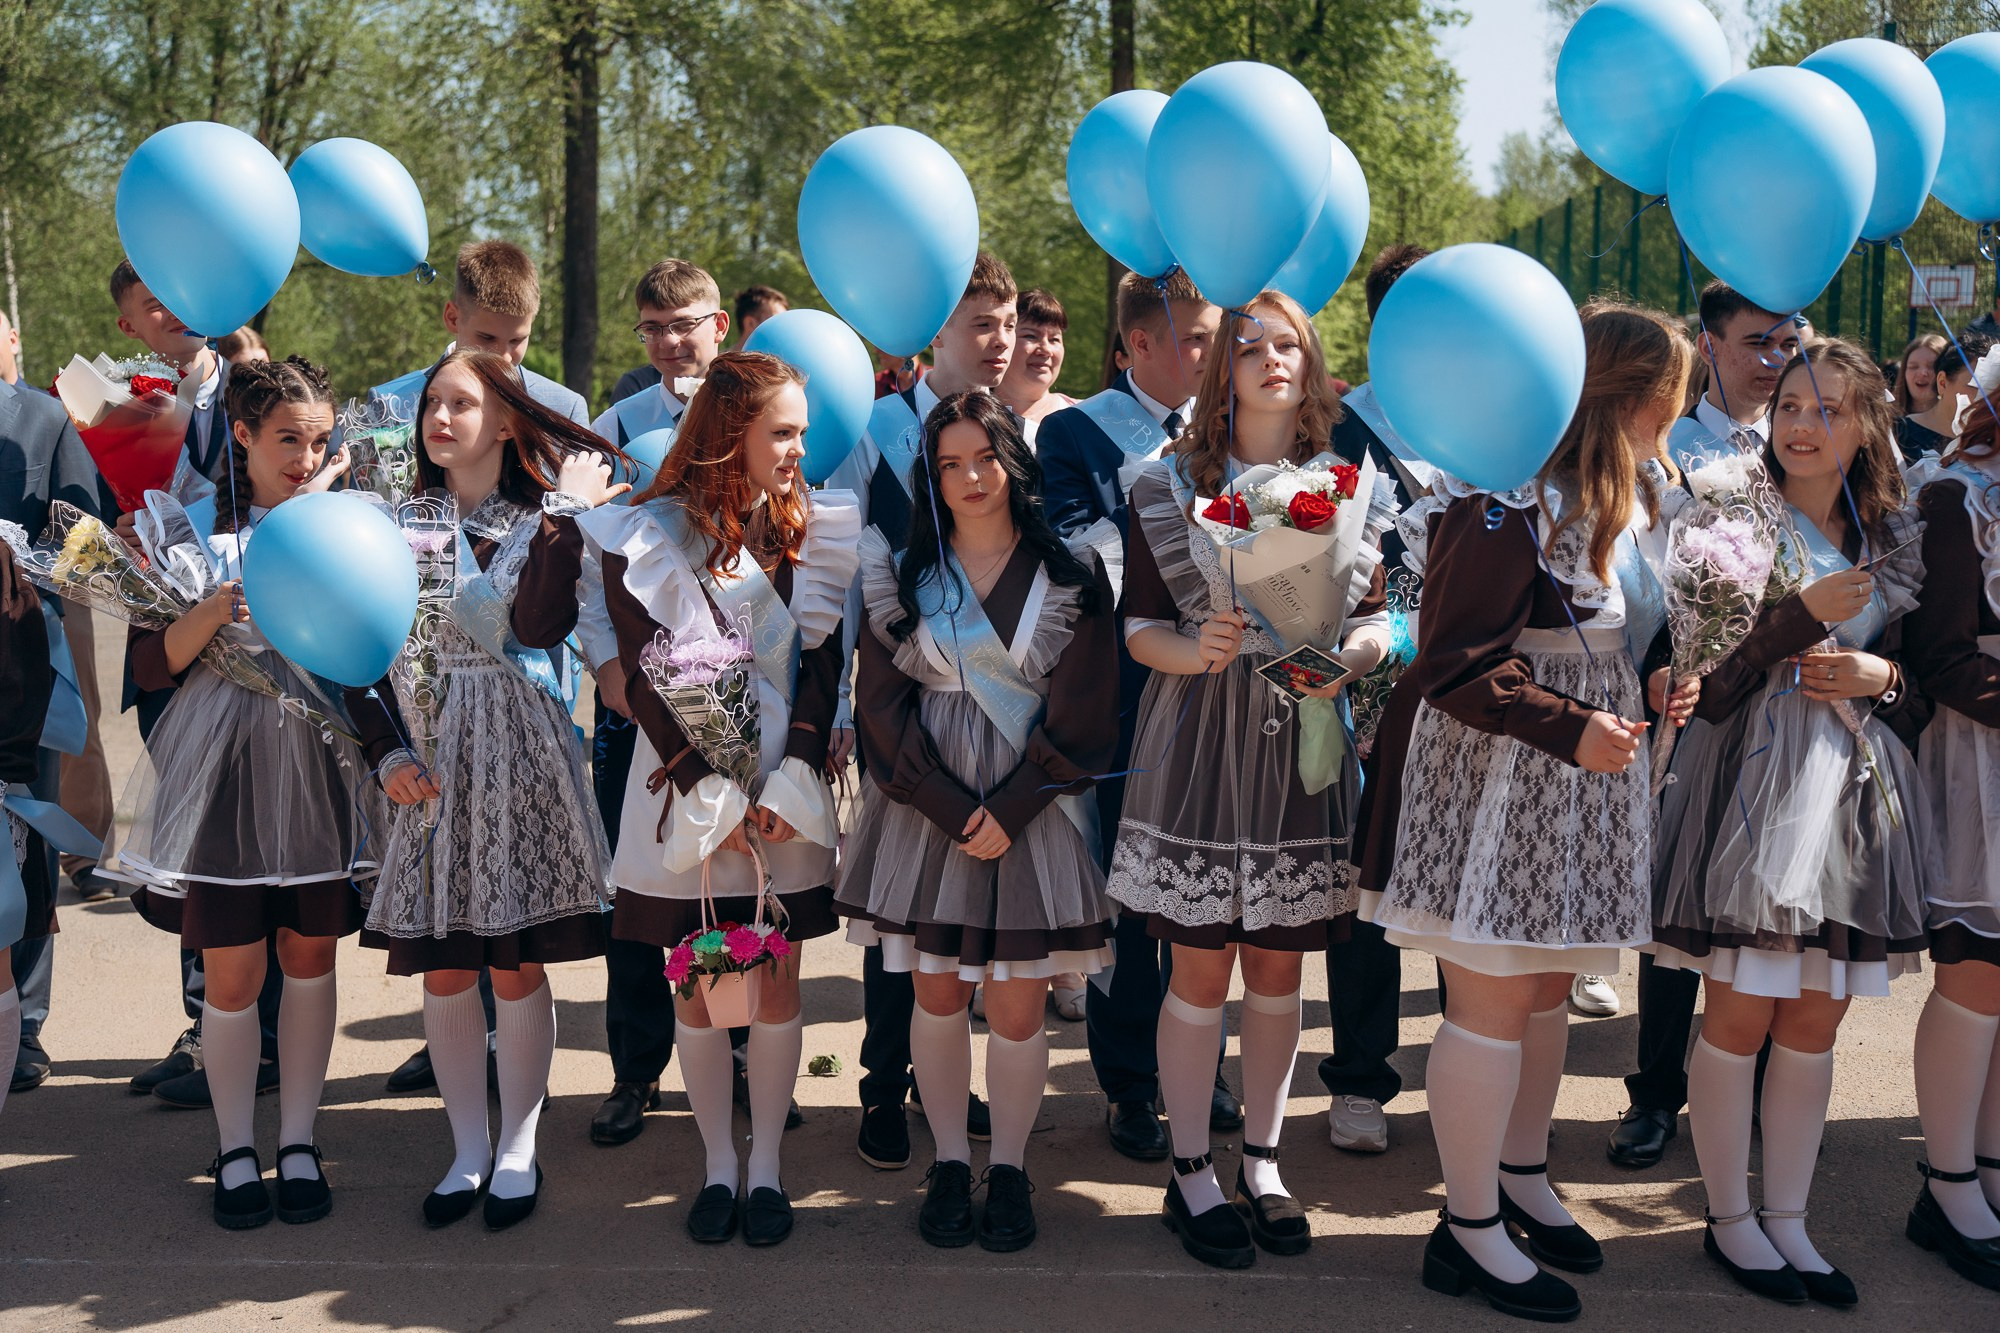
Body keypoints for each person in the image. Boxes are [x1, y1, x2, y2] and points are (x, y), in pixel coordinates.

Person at [1362, 303, 1695, 1321]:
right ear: (1635, 400)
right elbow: (1455, 660)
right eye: (1671, 401)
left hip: (1581, 777)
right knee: (1491, 1001)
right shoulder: (1506, 502)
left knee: (1544, 990)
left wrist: (1656, 677)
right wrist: (1569, 727)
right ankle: (1463, 1231)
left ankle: (1515, 1178)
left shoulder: (1631, 498)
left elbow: (1622, 633)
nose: (1675, 420)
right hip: (1497, 776)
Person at [1109, 288, 1394, 1270]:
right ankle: (1188, 1168)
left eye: (1289, 345)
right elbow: (1135, 627)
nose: (1272, 358)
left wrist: (1350, 657)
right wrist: (1195, 649)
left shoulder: (1347, 483)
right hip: (1196, 736)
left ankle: (1262, 1162)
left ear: (1311, 365)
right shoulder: (1161, 483)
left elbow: (1379, 619)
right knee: (1199, 964)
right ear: (1218, 367)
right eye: (1250, 345)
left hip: (1297, 735)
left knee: (1278, 964)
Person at [1653, 338, 1932, 1308]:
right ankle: (1728, 1221)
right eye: (1790, 404)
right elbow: (1701, 682)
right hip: (1748, 788)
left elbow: (1923, 684)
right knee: (1738, 1014)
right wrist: (1797, 621)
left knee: (1814, 1019)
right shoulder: (1727, 509)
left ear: (1865, 426)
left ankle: (1788, 1221)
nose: (1804, 424)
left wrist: (1882, 676)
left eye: (1828, 410)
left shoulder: (1889, 526)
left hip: (1856, 797)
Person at [573, 351, 858, 1246]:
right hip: (686, 789)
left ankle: (766, 1163)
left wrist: (793, 776)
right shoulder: (646, 533)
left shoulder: (811, 525)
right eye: (783, 431)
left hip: (782, 793)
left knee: (773, 982)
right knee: (697, 985)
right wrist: (711, 794)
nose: (798, 449)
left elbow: (820, 664)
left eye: (804, 432)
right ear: (729, 432)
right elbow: (646, 681)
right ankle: (717, 1163)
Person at [101, 357, 382, 1230]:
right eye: (288, 439)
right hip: (222, 769)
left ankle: (298, 1139)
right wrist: (218, 606)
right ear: (245, 437)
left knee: (310, 957)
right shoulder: (189, 536)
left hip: (319, 765)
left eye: (320, 440)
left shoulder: (351, 532)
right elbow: (149, 665)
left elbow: (370, 659)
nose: (306, 456)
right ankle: (233, 1147)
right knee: (233, 972)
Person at [836, 391, 1118, 1251]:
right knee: (936, 993)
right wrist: (956, 809)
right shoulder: (907, 579)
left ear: (1014, 463)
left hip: (1034, 812)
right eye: (950, 462)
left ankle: (1011, 1167)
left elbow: (1088, 711)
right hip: (932, 813)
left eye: (985, 458)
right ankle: (953, 1159)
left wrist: (1017, 807)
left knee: (1021, 1004)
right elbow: (881, 710)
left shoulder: (1073, 572)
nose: (969, 477)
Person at [348, 349, 622, 1231]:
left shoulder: (537, 519)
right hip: (427, 759)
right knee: (446, 966)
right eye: (431, 401)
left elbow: (541, 625)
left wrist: (565, 520)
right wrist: (384, 753)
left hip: (519, 749)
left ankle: (519, 1144)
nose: (439, 417)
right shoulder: (389, 525)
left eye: (461, 403)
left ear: (506, 422)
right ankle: (467, 1147)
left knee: (514, 963)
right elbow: (353, 657)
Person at [373, 240, 587, 1097]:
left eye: (520, 346)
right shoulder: (392, 414)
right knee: (446, 946)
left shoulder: (558, 408)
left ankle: (520, 1118)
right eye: (491, 342)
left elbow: (565, 582)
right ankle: (457, 1070)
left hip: (521, 684)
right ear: (452, 319)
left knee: (516, 936)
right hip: (426, 700)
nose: (507, 364)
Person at [824, 253, 1018, 1173]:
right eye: (982, 324)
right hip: (899, 698)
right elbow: (850, 579)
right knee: (901, 902)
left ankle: (948, 1073)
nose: (1000, 341)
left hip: (990, 705)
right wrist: (844, 707)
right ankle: (881, 1080)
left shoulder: (1008, 429)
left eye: (1008, 324)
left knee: (970, 900)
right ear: (934, 327)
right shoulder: (870, 430)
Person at [1607, 280, 1805, 1171]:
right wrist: (1669, 671)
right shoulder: (1666, 447)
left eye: (1788, 342)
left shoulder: (1803, 439)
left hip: (1783, 705)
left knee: (1759, 897)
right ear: (1708, 344)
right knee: (1675, 898)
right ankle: (1654, 1095)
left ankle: (1754, 1083)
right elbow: (1644, 586)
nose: (1776, 360)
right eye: (1758, 343)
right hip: (1682, 701)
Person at [1037, 267, 1227, 1163]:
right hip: (1125, 696)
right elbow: (1079, 550)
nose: (1211, 353)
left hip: (1225, 695)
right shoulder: (1076, 431)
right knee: (1129, 899)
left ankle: (1203, 1063)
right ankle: (1127, 1083)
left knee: (1212, 892)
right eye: (1192, 337)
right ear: (1138, 344)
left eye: (1213, 335)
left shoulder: (1233, 424)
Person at [579, 258, 731, 1145]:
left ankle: (744, 1057)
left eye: (689, 323)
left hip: (737, 695)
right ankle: (636, 1069)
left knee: (729, 890)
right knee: (638, 899)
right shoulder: (615, 430)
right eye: (655, 327)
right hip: (637, 704)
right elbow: (597, 571)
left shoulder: (760, 413)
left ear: (722, 328)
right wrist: (606, 671)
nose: (673, 342)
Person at [1317, 242, 1431, 1155]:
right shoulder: (1335, 426)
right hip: (1377, 670)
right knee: (1371, 881)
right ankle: (1360, 1075)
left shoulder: (1497, 419)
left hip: (1483, 675)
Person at [1902, 384, 2000, 1292]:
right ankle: (1949, 1182)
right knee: (1976, 973)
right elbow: (1942, 654)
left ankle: (1990, 1168)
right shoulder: (1959, 494)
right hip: (1981, 763)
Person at [0, 356, 97, 1099]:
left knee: (24, 837)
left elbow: (84, 538)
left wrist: (25, 561)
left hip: (20, 662)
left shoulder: (47, 418)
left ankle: (25, 1021)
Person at [372, 241, 588, 428]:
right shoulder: (393, 405)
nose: (503, 356)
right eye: (487, 338)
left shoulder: (564, 410)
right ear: (452, 318)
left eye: (517, 340)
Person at [995, 288, 1076, 448]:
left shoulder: (1084, 416)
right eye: (1030, 336)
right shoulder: (971, 416)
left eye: (1054, 339)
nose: (1046, 350)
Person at [1898, 335, 1995, 463]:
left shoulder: (1993, 443)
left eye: (1995, 387)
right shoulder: (1897, 435)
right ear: (1942, 383)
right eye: (1977, 385)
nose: (1988, 395)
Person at [1894, 333, 1948, 419]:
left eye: (1931, 366)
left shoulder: (1961, 425)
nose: (1922, 373)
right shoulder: (1887, 421)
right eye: (1913, 367)